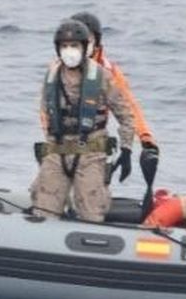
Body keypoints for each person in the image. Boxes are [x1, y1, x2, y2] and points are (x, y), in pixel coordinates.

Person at [31, 18, 136, 222]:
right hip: (57, 151)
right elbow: (46, 113)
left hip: (90, 153)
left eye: (74, 46)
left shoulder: (102, 77)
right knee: (43, 210)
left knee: (91, 212)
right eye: (65, 46)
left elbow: (126, 115)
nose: (69, 51)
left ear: (84, 47)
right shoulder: (51, 77)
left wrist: (126, 149)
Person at [69, 11, 159, 189]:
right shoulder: (58, 70)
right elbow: (46, 112)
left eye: (89, 37)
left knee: (94, 191)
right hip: (63, 142)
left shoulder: (109, 73)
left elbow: (129, 108)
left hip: (96, 143)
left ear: (96, 41)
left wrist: (146, 140)